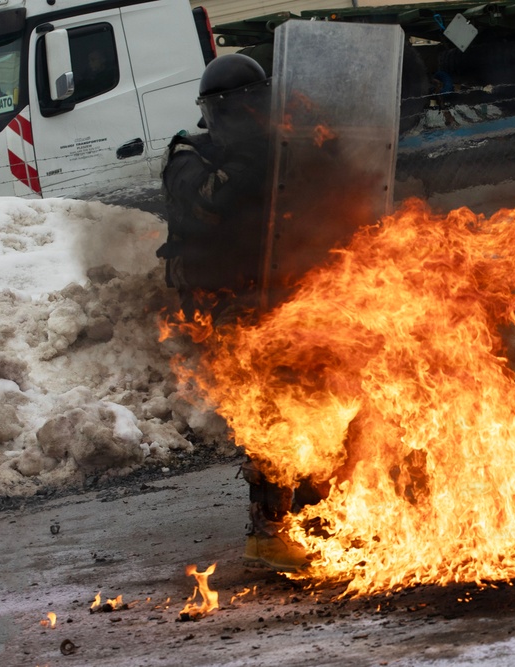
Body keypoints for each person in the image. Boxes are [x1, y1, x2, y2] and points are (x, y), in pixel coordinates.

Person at [157, 53, 312, 573]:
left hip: (282, 301)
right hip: (224, 310)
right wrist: (258, 156)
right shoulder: (188, 158)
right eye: (237, 108)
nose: (248, 116)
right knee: (269, 416)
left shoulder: (274, 151)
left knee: (318, 404)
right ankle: (267, 536)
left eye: (254, 105)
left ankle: (316, 518)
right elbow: (213, 201)